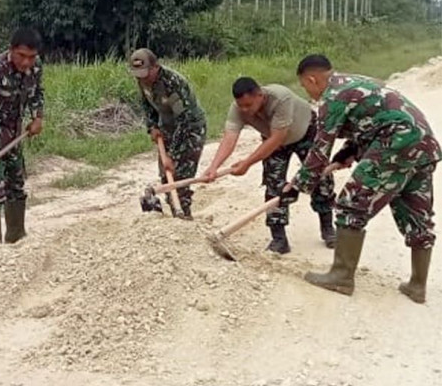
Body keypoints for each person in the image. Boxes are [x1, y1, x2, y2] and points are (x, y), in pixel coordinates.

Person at [281, 54, 440, 303]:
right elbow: (373, 121)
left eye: (305, 86)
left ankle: (341, 276)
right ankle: (417, 286)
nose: (308, 93)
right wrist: (349, 152)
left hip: (395, 143)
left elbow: (320, 149)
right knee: (416, 214)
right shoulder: (357, 82)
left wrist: (297, 186)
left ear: (312, 79)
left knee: (351, 202)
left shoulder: (332, 97)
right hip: (423, 146)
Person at [202, 77, 336, 254]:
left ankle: (328, 229)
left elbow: (277, 138)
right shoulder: (238, 108)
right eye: (240, 105)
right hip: (273, 139)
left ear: (260, 95)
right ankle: (279, 239)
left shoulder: (280, 98)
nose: (244, 110)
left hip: (305, 132)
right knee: (274, 184)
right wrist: (214, 166)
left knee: (320, 178)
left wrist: (247, 163)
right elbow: (230, 136)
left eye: (248, 105)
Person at [0, 27, 45, 246]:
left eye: (31, 57)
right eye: (22, 56)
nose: (26, 63)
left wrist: (37, 117)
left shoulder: (35, 67)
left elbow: (36, 93)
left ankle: (16, 237)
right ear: (11, 50)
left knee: (16, 184)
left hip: (15, 134)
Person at [130, 48, 207, 219]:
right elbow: (147, 105)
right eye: (137, 74)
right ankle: (175, 216)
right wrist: (152, 127)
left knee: (180, 178)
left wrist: (172, 155)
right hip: (167, 128)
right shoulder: (142, 81)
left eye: (145, 73)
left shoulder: (173, 83)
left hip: (190, 129)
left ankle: (184, 220)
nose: (142, 78)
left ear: (155, 67)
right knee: (166, 177)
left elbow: (184, 120)